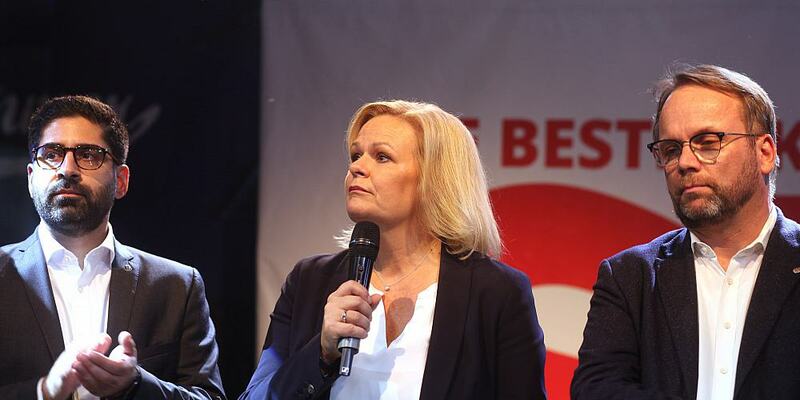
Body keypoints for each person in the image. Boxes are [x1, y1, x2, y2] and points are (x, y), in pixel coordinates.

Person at [240, 100, 547, 399]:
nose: (357, 167)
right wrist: (321, 352)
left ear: (434, 180)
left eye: (382, 157)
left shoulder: (496, 292)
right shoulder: (309, 280)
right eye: (356, 154)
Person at [571, 64, 800, 399]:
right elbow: (596, 390)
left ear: (765, 153)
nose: (685, 163)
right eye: (671, 149)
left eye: (707, 142)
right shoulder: (630, 277)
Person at [0, 95, 225, 400]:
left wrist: (136, 385)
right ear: (30, 178)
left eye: (89, 155)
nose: (67, 168)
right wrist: (44, 392)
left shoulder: (176, 287)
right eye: (52, 154)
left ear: (121, 181)